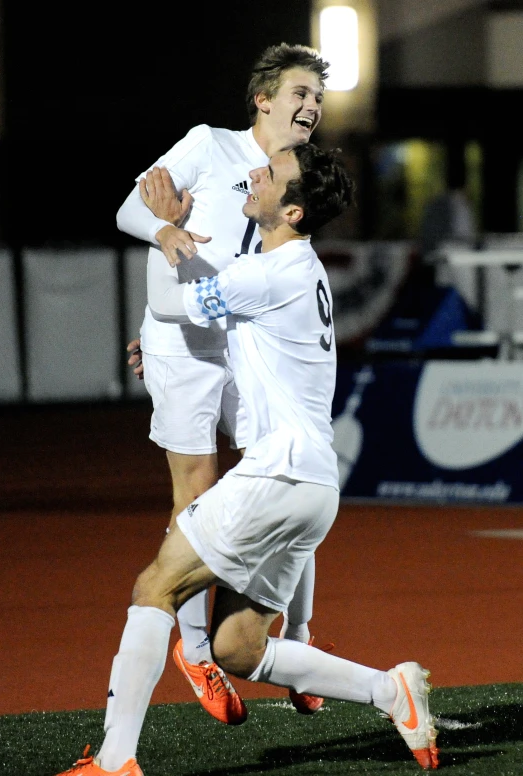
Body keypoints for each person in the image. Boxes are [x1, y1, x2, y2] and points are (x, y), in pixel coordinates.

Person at [55, 144, 439, 776]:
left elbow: (189, 301)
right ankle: (386, 690)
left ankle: (116, 760)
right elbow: (235, 339)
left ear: (291, 210)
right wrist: (164, 348)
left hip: (278, 473)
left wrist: (168, 229)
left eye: (270, 175)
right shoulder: (289, 267)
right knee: (239, 648)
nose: (254, 173)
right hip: (312, 486)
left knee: (155, 586)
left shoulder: (269, 271)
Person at [117, 42, 331, 723]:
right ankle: (200, 652)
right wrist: (166, 233)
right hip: (182, 343)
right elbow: (129, 210)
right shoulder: (208, 145)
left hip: (243, 342)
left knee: (282, 481)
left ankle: (295, 644)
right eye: (300, 92)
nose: (312, 106)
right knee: (198, 496)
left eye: (318, 98)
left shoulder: (291, 179)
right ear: (262, 98)